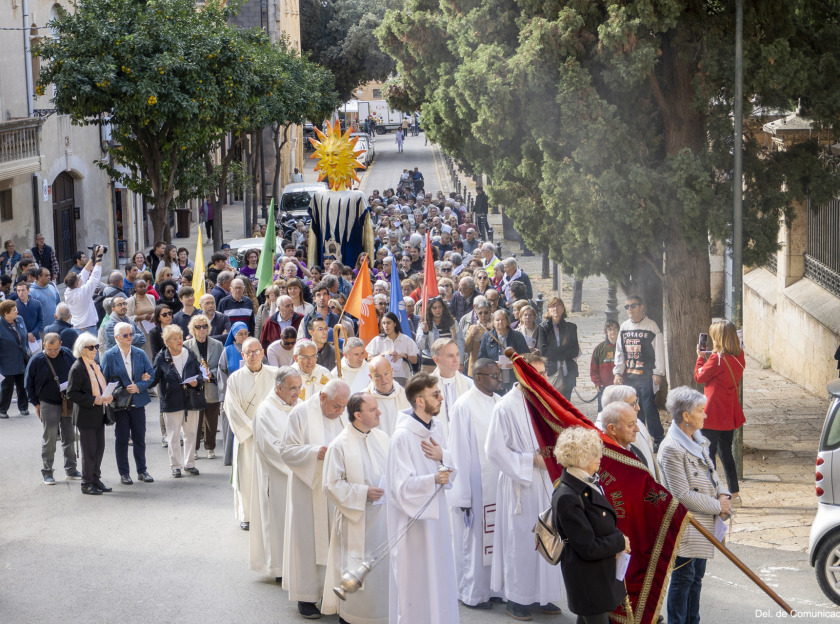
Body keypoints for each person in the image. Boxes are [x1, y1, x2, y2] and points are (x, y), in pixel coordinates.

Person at [485, 353, 564, 620]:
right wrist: (530, 460)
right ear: (522, 375)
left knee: (549, 537)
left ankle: (542, 596)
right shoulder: (505, 407)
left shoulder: (547, 403)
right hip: (521, 485)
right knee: (522, 541)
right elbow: (494, 450)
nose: (541, 379)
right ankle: (518, 599)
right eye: (536, 374)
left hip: (547, 482)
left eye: (543, 373)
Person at [387, 374, 458, 623]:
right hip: (413, 528)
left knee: (439, 579)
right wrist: (432, 480)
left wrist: (444, 456)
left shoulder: (435, 429)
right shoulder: (402, 437)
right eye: (435, 394)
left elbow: (451, 472)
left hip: (436, 521)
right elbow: (400, 488)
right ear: (419, 401)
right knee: (416, 586)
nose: (441, 398)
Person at [659, 386, 731, 624]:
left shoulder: (698, 439)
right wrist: (717, 506)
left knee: (696, 579)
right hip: (688, 528)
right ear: (686, 416)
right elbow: (682, 494)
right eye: (701, 411)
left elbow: (712, 473)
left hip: (704, 523)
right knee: (683, 580)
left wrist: (724, 493)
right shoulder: (671, 448)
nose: (705, 415)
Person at [280, 379, 350, 619]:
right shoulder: (300, 414)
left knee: (336, 540)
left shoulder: (343, 413)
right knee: (307, 542)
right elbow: (286, 450)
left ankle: (334, 595)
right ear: (322, 397)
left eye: (343, 407)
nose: (340, 412)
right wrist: (314, 452)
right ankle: (307, 596)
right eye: (336, 406)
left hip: (335, 490)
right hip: (308, 489)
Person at [321, 392, 390, 624]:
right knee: (356, 578)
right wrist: (363, 493)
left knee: (380, 578)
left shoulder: (382, 438)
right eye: (373, 410)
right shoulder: (339, 444)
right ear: (358, 415)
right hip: (355, 523)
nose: (379, 412)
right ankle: (352, 619)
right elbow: (331, 485)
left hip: (382, 523)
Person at [552, 427, 629, 624]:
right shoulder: (567, 496)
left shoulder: (586, 483)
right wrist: (619, 541)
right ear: (581, 457)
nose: (600, 457)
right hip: (588, 581)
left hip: (597, 576)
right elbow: (588, 547)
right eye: (595, 453)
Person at [448, 358, 503, 609]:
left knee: (496, 539)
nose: (498, 380)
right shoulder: (464, 405)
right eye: (493, 376)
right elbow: (458, 451)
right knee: (475, 541)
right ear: (478, 377)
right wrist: (463, 495)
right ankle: (473, 593)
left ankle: (495, 589)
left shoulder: (499, 403)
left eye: (499, 375)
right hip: (476, 486)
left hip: (497, 484)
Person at [250, 366, 303, 583]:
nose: (296, 393)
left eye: (299, 388)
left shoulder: (298, 406)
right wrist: (301, 462)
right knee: (278, 520)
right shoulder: (266, 411)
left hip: (299, 474)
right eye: (292, 388)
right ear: (279, 388)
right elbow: (272, 448)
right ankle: (280, 567)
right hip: (278, 475)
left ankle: (296, 563)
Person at [224, 337, 278, 529]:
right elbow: (232, 410)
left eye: (257, 352)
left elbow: (284, 403)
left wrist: (271, 428)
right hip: (247, 437)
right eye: (249, 353)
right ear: (243, 355)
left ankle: (272, 514)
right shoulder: (234, 379)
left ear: (263, 353)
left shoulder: (276, 375)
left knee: (272, 477)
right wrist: (253, 429)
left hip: (272, 435)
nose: (253, 356)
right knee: (247, 477)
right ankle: (247, 515)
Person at [694, 320, 745, 507]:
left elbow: (699, 376)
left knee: (709, 454)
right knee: (726, 454)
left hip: (713, 413)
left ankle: (714, 493)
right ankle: (734, 493)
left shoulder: (717, 359)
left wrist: (700, 357)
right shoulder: (740, 356)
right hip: (729, 412)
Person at [101, 322, 155, 485]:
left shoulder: (139, 353)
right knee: (122, 438)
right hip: (120, 404)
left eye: (131, 334)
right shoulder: (109, 355)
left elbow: (151, 374)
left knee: (139, 437)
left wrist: (139, 386)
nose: (130, 337)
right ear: (116, 337)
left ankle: (142, 470)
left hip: (138, 402)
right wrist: (111, 395)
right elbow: (104, 379)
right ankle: (124, 473)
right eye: (125, 335)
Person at [24, 333, 81, 483]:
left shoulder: (67, 353)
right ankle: (47, 472)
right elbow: (28, 384)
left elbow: (77, 370)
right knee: (49, 439)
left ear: (61, 344)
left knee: (69, 437)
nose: (53, 352)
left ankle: (71, 469)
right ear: (44, 345)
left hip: (68, 402)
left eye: (56, 349)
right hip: (48, 403)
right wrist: (36, 404)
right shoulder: (37, 360)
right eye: (50, 349)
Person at [613, 295, 666, 448]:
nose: (629, 309)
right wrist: (617, 372)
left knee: (648, 406)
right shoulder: (624, 327)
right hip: (630, 376)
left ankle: (658, 438)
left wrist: (658, 372)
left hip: (647, 375)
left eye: (633, 305)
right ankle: (640, 438)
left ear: (642, 307)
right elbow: (620, 352)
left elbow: (659, 351)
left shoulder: (652, 326)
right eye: (627, 306)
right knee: (633, 409)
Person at [153, 325, 204, 478]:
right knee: (173, 436)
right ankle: (175, 466)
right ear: (167, 342)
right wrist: (144, 379)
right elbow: (154, 378)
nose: (179, 341)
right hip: (171, 401)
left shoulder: (190, 354)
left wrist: (197, 382)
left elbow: (200, 375)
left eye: (180, 337)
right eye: (174, 339)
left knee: (191, 433)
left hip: (190, 400)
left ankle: (190, 464)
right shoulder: (161, 357)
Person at [66, 332, 114, 495]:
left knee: (99, 449)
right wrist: (95, 399)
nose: (95, 350)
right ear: (82, 349)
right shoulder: (78, 368)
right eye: (91, 347)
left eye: (96, 346)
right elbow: (71, 394)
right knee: (89, 451)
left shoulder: (94, 364)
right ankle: (86, 483)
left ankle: (95, 479)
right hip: (86, 416)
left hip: (99, 413)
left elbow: (100, 388)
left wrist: (107, 395)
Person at [185, 314, 224, 459]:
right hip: (195, 388)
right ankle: (194, 448)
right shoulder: (186, 345)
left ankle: (210, 447)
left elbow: (221, 366)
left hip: (211, 386)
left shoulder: (217, 344)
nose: (202, 329)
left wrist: (211, 373)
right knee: (195, 420)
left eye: (204, 326)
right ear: (192, 329)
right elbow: (186, 367)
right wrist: (199, 376)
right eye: (198, 327)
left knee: (211, 420)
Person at [597, 385, 657, 476]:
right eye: (633, 404)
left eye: (637, 401)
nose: (638, 408)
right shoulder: (601, 436)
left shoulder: (636, 421)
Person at [429, 338, 473, 444]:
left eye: (457, 354)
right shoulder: (426, 387)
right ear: (436, 359)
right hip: (437, 445)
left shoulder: (469, 385)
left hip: (464, 444)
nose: (456, 359)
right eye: (450, 356)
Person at [219, 322, 250, 465]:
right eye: (240, 334)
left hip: (250, 394)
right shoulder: (227, 351)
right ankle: (231, 457)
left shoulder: (254, 349)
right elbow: (222, 374)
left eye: (246, 333)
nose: (243, 337)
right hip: (231, 395)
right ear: (233, 336)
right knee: (231, 427)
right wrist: (225, 395)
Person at [537, 296, 579, 401]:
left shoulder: (571, 327)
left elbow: (574, 351)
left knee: (566, 405)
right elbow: (544, 351)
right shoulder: (543, 327)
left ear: (563, 309)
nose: (556, 309)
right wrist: (564, 349)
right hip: (550, 372)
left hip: (568, 372)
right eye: (553, 306)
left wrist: (555, 351)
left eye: (559, 306)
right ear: (548, 309)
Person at [478, 309, 530, 393]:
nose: (500, 322)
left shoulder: (517, 336)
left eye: (503, 319)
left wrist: (516, 363)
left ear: (507, 321)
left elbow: (527, 356)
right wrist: (492, 364)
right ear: (493, 322)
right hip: (495, 379)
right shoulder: (487, 337)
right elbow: (481, 359)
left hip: (514, 378)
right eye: (497, 320)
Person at [366, 312, 418, 386]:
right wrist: (383, 355)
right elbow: (369, 359)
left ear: (395, 323)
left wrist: (403, 356)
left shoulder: (406, 340)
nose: (386, 326)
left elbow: (415, 360)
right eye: (383, 323)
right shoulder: (377, 340)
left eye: (388, 323)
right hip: (383, 379)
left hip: (403, 377)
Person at [364, 355, 410, 436]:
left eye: (386, 373)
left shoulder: (406, 396)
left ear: (392, 371)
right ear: (371, 377)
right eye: (378, 376)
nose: (383, 379)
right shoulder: (363, 400)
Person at [0, 299, 31, 418]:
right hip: (7, 361)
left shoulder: (20, 320)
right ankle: (2, 409)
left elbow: (24, 337)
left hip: (22, 359)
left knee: (23, 384)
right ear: (5, 313)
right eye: (14, 310)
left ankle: (23, 407)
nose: (17, 311)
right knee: (7, 387)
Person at [590, 320, 619, 411]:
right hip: (604, 387)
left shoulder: (622, 346)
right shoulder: (599, 348)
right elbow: (593, 368)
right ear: (606, 332)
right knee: (603, 413)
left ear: (619, 330)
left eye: (615, 329)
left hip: (619, 387)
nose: (613, 332)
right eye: (609, 329)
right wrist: (597, 382)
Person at [29, 267, 61, 331]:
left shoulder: (52, 287)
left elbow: (59, 304)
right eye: (46, 275)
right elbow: (31, 313)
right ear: (39, 276)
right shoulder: (31, 292)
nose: (49, 277)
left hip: (56, 327)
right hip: (42, 330)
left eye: (49, 275)